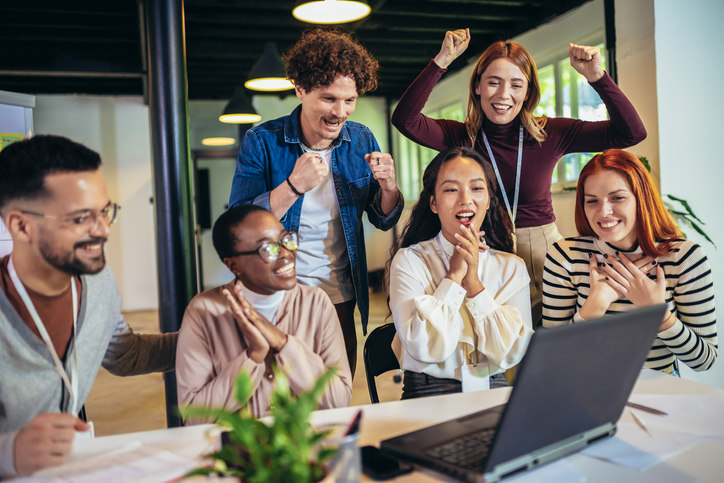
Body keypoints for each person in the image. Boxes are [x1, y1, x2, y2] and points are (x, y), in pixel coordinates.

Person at [391, 28, 647, 328]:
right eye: (493, 83)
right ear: (477, 86)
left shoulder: (550, 133)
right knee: (500, 342)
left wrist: (597, 76)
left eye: (516, 85)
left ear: (527, 92)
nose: (503, 95)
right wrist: (443, 59)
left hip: (544, 250)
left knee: (554, 341)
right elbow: (405, 119)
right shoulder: (460, 137)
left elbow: (631, 132)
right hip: (486, 249)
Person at [228, 28, 404, 376]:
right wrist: (293, 186)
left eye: (349, 100)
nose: (341, 111)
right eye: (329, 98)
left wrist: (388, 188)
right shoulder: (262, 141)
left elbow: (381, 219)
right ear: (300, 89)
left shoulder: (361, 138)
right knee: (280, 396)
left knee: (335, 395)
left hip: (339, 296)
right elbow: (239, 227)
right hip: (279, 295)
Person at [0, 135, 177, 477]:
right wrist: (10, 452)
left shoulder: (97, 281)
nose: (102, 230)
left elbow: (124, 355)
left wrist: (210, 337)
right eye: (81, 218)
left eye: (104, 211)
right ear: (21, 226)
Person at [542, 149, 717, 374]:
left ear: (641, 198)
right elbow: (551, 356)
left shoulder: (684, 258)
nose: (604, 212)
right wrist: (595, 305)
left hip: (657, 389)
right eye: (592, 201)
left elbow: (704, 360)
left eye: (618, 198)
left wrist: (658, 313)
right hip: (584, 386)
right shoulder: (564, 256)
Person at [176, 205, 352, 419]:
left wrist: (282, 343)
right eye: (268, 249)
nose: (286, 254)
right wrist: (253, 357)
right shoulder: (203, 312)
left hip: (303, 447)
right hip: (235, 449)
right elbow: (194, 416)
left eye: (286, 240)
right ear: (233, 265)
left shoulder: (316, 303)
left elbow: (340, 401)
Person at [387, 147, 533, 399]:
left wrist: (474, 283)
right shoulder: (410, 261)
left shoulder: (512, 266)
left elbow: (514, 352)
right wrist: (454, 277)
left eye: (477, 188)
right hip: (427, 393)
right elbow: (421, 346)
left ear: (488, 200)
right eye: (451, 189)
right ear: (433, 203)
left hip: (494, 390)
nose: (465, 199)